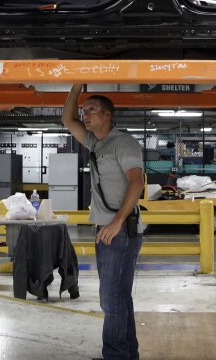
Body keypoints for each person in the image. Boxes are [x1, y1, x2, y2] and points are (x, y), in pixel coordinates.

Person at [62, 84, 144, 360]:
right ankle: (126, 354)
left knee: (111, 299)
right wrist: (75, 87)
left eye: (92, 110)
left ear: (108, 114)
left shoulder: (123, 143)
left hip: (119, 232)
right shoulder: (97, 142)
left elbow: (137, 180)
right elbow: (67, 120)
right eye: (85, 110)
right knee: (118, 297)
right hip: (107, 231)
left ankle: (116, 356)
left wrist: (117, 221)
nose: (86, 115)